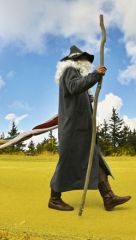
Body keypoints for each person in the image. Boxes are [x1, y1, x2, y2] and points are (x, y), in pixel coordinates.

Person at [49, 45, 131, 211]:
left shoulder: (76, 74)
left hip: (81, 130)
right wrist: (96, 75)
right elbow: (74, 87)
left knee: (95, 159)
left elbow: (76, 91)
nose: (87, 61)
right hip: (73, 131)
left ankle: (108, 198)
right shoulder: (70, 70)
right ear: (76, 60)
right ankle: (54, 199)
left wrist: (87, 98)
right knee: (67, 163)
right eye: (85, 58)